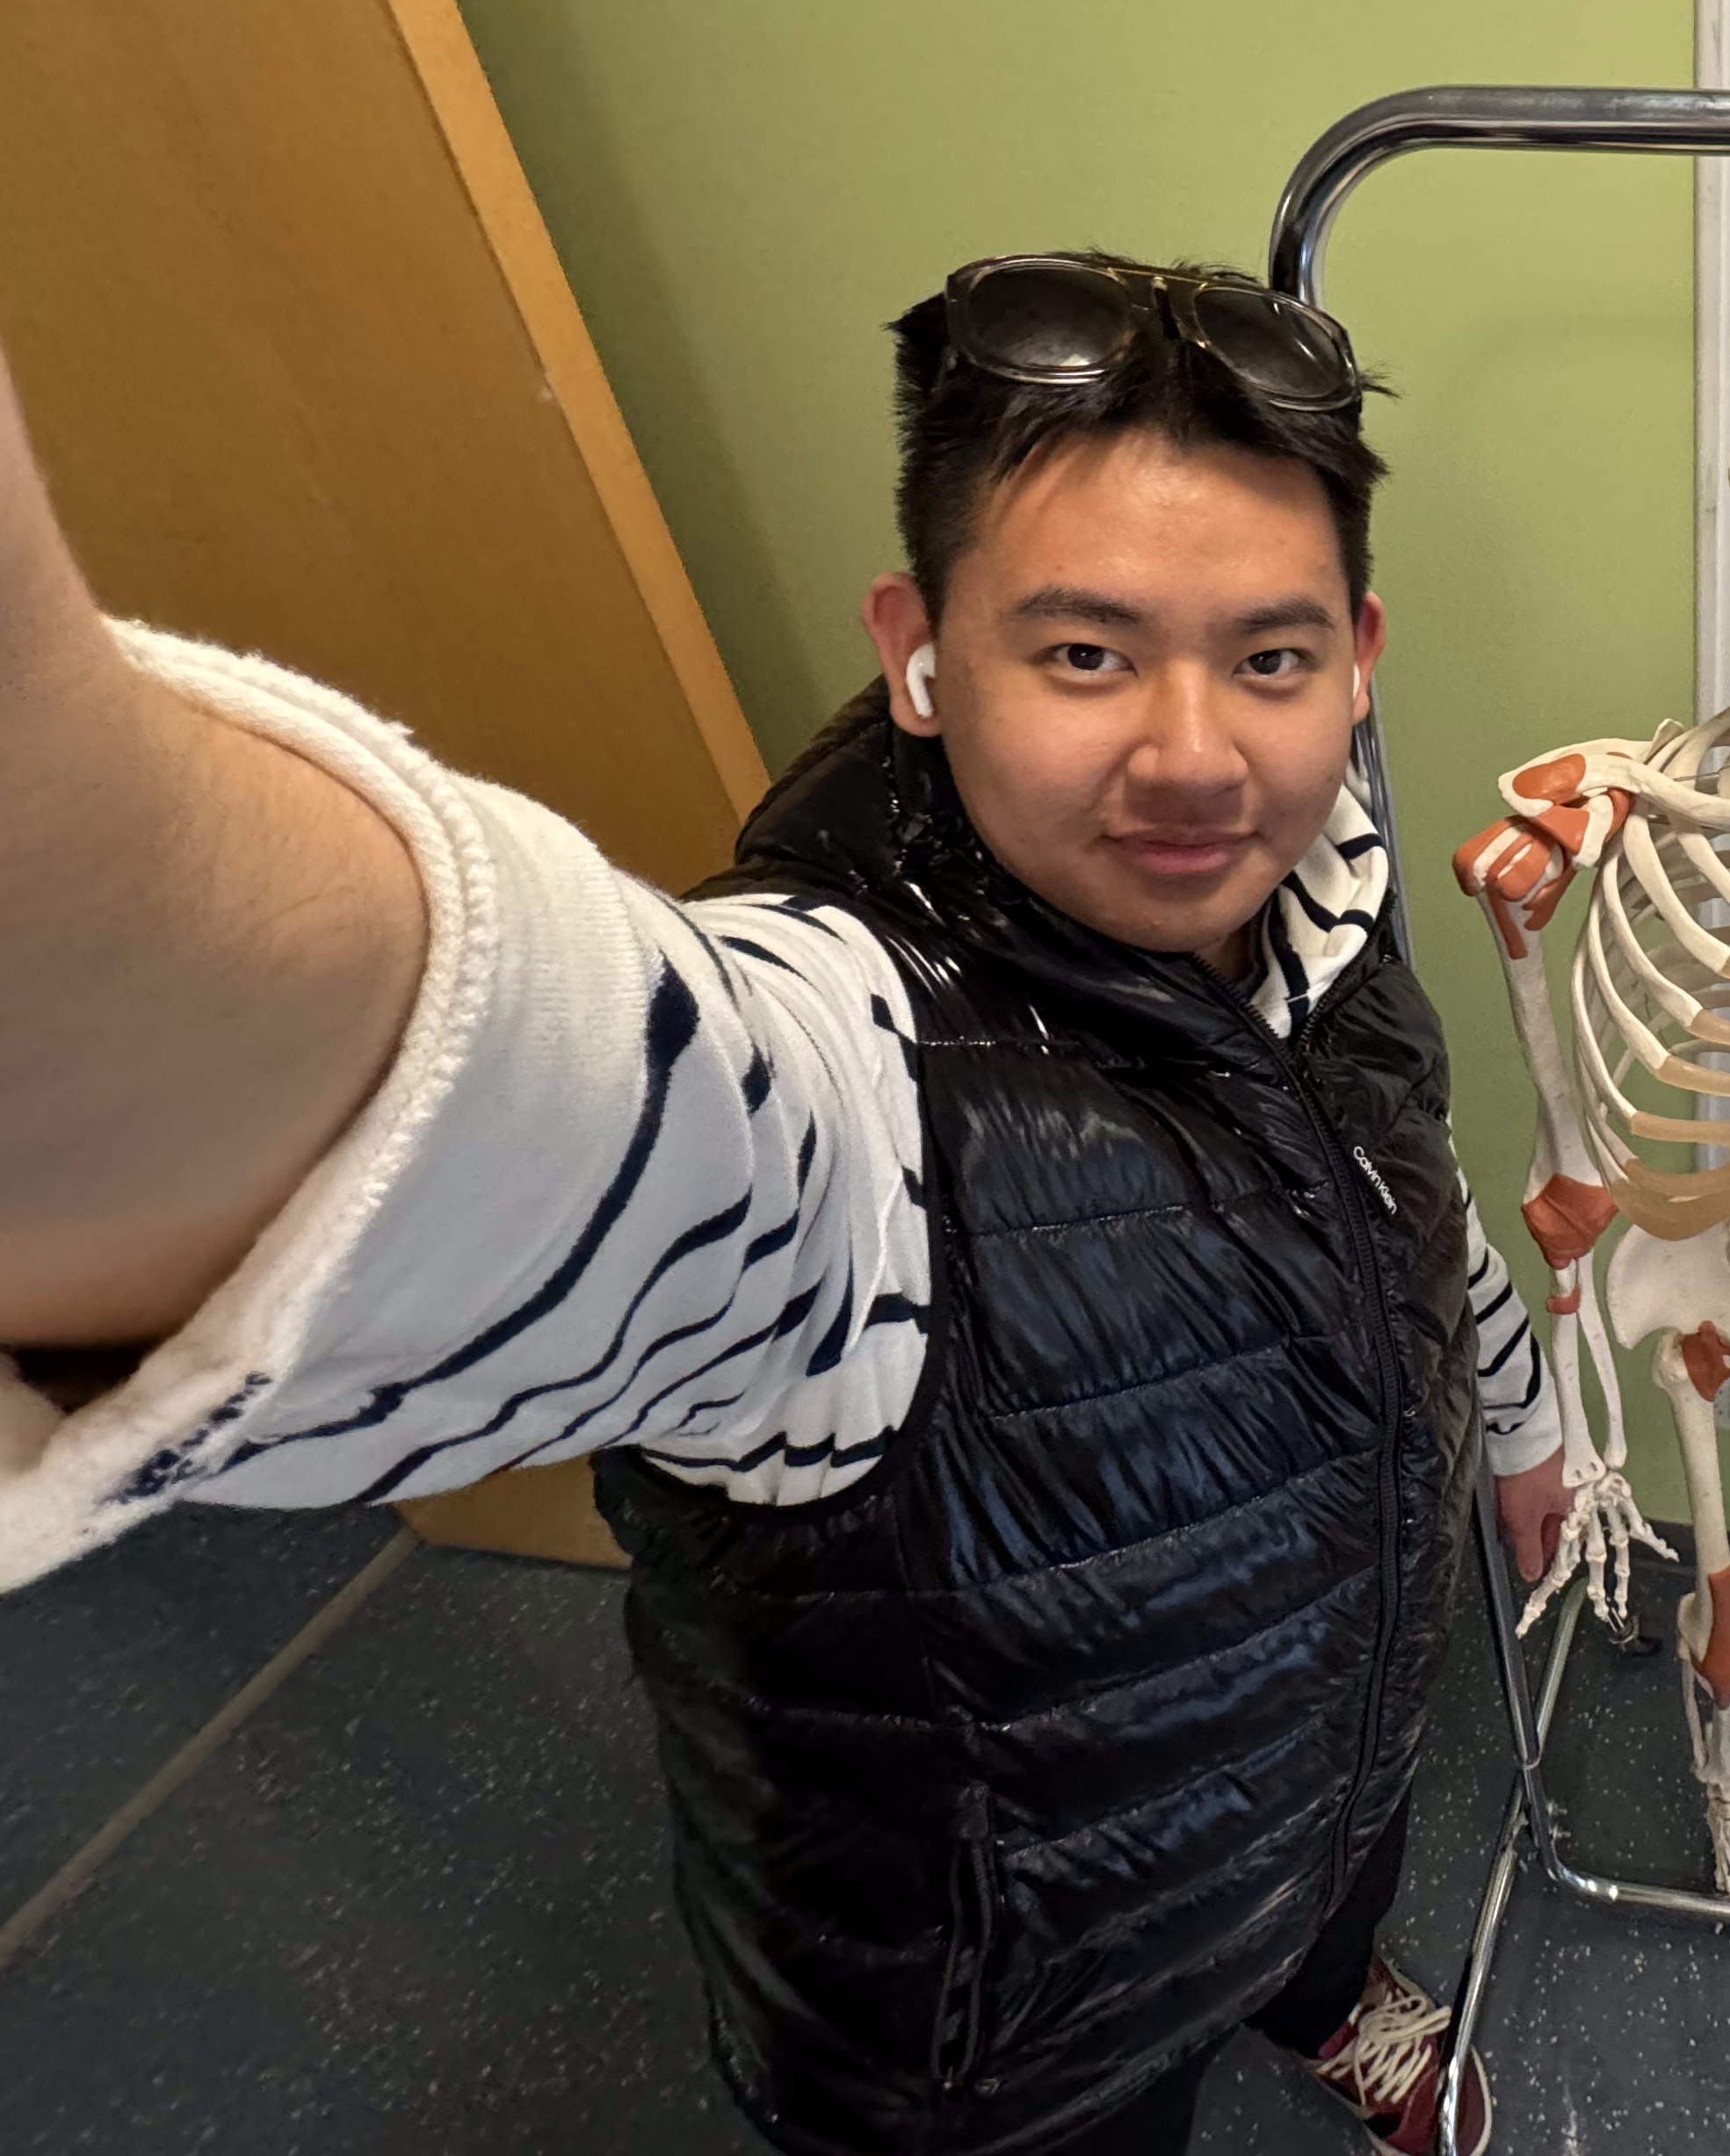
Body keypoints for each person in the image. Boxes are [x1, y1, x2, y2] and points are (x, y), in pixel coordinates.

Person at [0, 251, 1574, 2156]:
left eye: (1269, 658)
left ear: (1356, 657)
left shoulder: (1323, 896)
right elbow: (504, 1086)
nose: (1194, 757)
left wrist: (1516, 1413)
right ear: (920, 648)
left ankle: (1325, 1984)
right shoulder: (834, 1078)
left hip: (1312, 1735)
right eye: (1082, 654)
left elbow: (1415, 1201)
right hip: (1012, 2020)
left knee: (1325, 1870)